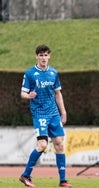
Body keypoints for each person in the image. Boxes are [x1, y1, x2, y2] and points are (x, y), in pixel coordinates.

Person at [19, 45, 72, 188]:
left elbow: (58, 94)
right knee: (42, 145)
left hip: (54, 113)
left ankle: (63, 180)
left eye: (45, 55)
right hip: (40, 114)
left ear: (49, 56)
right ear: (36, 56)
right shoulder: (30, 73)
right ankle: (25, 175)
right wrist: (28, 96)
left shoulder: (53, 73)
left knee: (59, 144)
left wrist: (64, 112)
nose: (43, 58)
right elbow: (23, 93)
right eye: (41, 55)